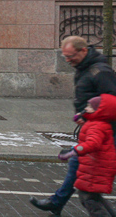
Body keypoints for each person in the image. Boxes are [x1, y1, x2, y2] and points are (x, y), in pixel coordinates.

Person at [32, 36, 116, 215]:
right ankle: (57, 201)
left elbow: (111, 102)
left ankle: (57, 201)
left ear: (83, 51)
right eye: (65, 57)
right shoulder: (84, 67)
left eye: (71, 56)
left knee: (86, 184)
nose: (68, 60)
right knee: (86, 182)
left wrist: (90, 117)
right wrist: (83, 115)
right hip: (93, 130)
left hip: (102, 134)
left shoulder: (100, 71)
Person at [57, 94, 116, 216]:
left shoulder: (97, 126)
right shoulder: (97, 122)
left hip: (94, 168)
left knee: (88, 198)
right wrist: (82, 117)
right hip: (94, 167)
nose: (86, 108)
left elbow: (92, 143)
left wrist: (74, 151)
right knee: (96, 198)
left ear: (99, 111)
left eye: (89, 106)